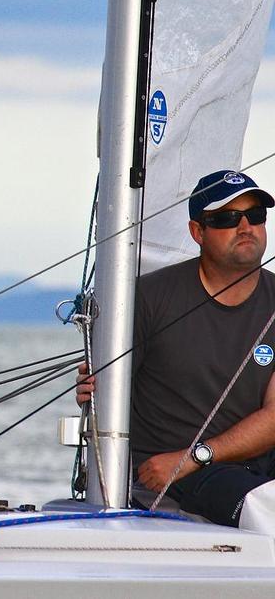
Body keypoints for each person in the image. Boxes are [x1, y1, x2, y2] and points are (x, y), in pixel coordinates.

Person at [77, 169, 275, 527]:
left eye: (255, 216)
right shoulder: (148, 298)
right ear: (197, 232)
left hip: (218, 460)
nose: (245, 226)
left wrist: (195, 455)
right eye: (227, 218)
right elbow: (104, 390)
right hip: (174, 476)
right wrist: (93, 386)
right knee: (262, 504)